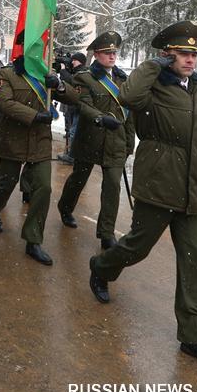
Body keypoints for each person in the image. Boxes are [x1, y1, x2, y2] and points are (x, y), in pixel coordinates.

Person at [89, 21, 197, 378]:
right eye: (183, 53)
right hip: (158, 182)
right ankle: (102, 267)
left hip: (191, 186)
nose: (190, 59)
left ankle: (193, 336)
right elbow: (127, 98)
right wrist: (152, 66)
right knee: (138, 247)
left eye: (194, 54)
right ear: (168, 56)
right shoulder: (151, 84)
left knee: (194, 260)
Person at [0, 34, 79, 265]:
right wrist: (36, 116)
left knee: (43, 189)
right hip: (13, 140)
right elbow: (5, 103)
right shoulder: (6, 74)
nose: (38, 52)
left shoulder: (46, 75)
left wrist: (58, 84)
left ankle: (33, 240)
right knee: (7, 183)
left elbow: (75, 97)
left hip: (39, 142)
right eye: (32, 48)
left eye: (41, 48)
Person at [57, 32, 135, 250]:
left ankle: (106, 233)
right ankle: (65, 207)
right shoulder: (84, 78)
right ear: (97, 55)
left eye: (114, 53)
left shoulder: (122, 79)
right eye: (107, 53)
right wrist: (100, 118)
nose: (112, 56)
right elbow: (83, 105)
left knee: (112, 187)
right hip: (90, 138)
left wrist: (130, 142)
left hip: (116, 142)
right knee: (78, 179)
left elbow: (128, 115)